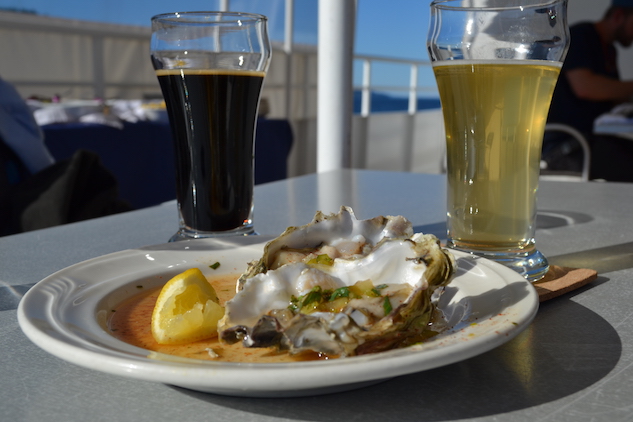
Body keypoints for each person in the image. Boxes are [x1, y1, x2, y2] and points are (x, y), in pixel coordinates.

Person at [546, 0, 633, 181]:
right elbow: (585, 87)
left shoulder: (609, 50)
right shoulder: (581, 36)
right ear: (618, 16)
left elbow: (611, 96)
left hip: (593, 142)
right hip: (567, 146)